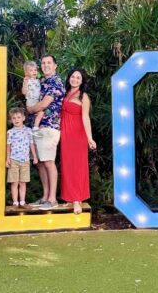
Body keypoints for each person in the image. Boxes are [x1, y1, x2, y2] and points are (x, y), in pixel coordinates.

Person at [26, 55, 65, 210]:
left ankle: (52, 199)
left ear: (55, 65)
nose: (46, 65)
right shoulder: (41, 82)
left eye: (49, 62)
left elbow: (43, 104)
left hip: (49, 127)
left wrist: (29, 110)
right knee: (41, 163)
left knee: (48, 162)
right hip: (37, 127)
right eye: (43, 63)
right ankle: (45, 197)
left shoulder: (56, 81)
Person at [60, 68, 97, 214]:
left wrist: (90, 138)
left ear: (82, 82)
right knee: (67, 167)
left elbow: (85, 118)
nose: (75, 79)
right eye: (73, 77)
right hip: (65, 135)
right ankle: (69, 198)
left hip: (77, 135)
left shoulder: (84, 97)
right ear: (69, 78)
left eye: (78, 78)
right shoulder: (65, 93)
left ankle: (77, 200)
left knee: (77, 167)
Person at [6, 108, 38, 208]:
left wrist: (35, 157)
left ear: (23, 118)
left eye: (19, 117)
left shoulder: (28, 131)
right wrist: (7, 158)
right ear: (11, 120)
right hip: (14, 159)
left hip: (25, 160)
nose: (16, 120)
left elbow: (31, 144)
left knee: (23, 182)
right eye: (14, 118)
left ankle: (22, 202)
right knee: (14, 182)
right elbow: (8, 146)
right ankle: (15, 202)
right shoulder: (10, 132)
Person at [22, 61, 44, 131]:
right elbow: (24, 92)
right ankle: (35, 127)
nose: (34, 72)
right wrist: (25, 83)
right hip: (31, 102)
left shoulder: (38, 81)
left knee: (40, 114)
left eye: (35, 70)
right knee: (41, 113)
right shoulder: (27, 81)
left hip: (37, 101)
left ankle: (37, 126)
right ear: (26, 73)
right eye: (31, 70)